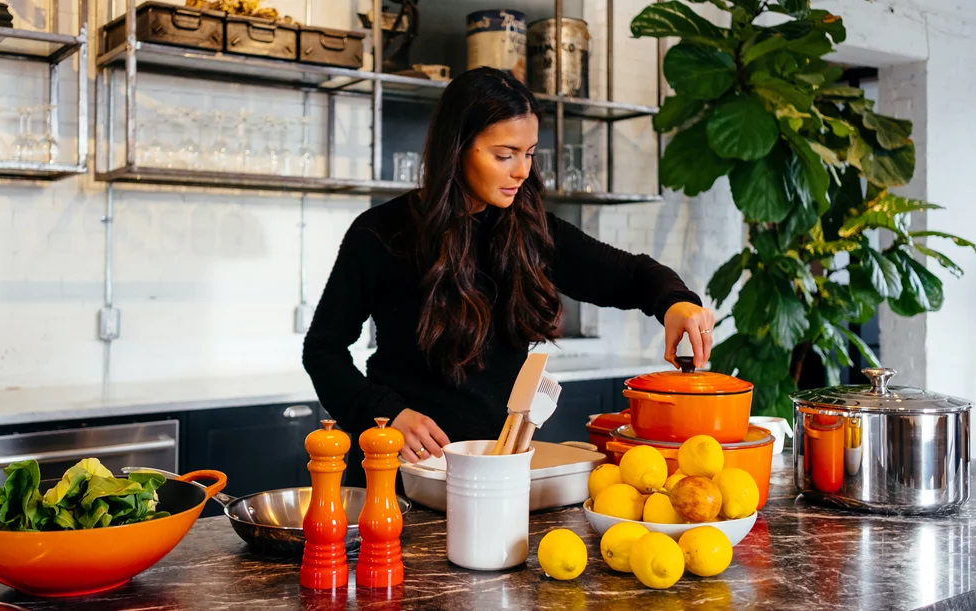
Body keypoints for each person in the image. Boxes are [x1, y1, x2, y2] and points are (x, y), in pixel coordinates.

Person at [303, 67, 716, 487]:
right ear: (458, 148)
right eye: (505, 155)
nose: (521, 171)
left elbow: (631, 275)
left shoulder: (532, 231)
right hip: (399, 474)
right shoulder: (380, 233)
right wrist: (388, 414)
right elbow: (323, 350)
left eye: (529, 153)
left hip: (497, 473)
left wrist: (675, 301)